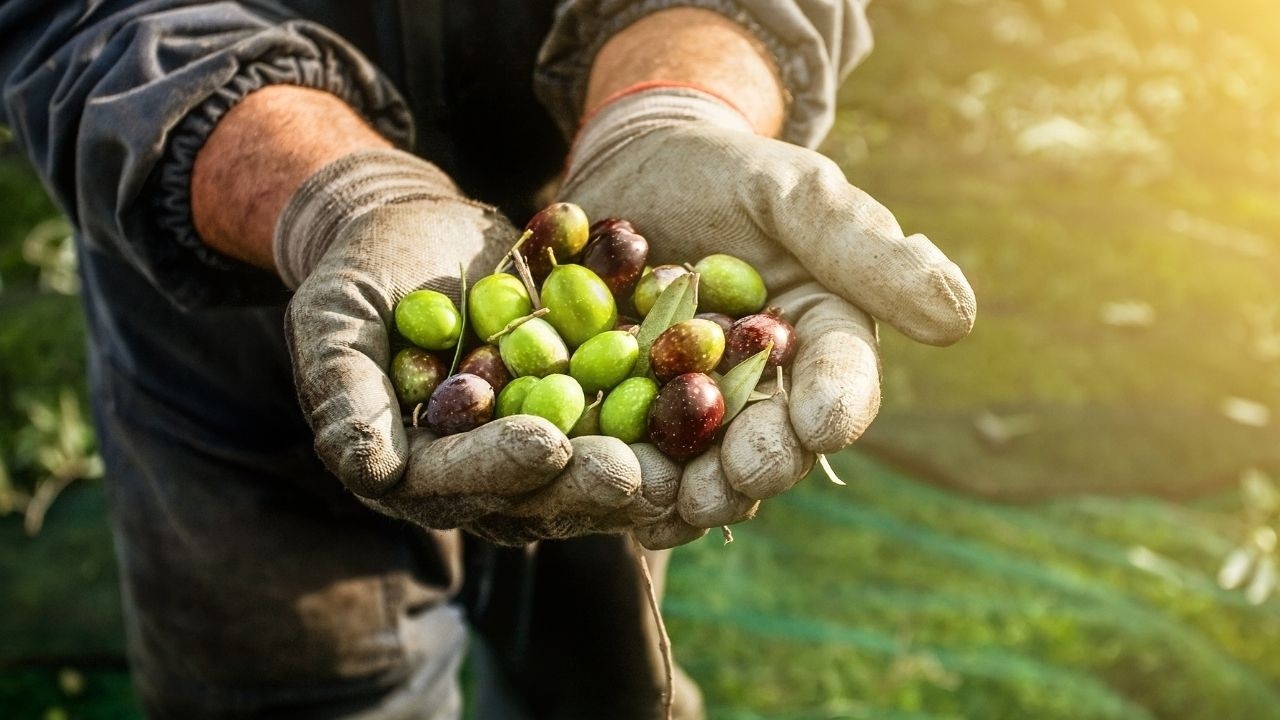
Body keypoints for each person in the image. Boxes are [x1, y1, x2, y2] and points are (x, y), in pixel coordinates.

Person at [0, 1, 975, 718]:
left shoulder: (609, 342)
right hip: (219, 318)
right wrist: (336, 195)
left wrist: (673, 103)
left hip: (582, 206)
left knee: (599, 683)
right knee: (285, 695)